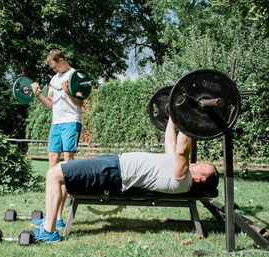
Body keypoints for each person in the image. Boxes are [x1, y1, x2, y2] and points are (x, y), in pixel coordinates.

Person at [32, 117, 219, 242]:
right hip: (114, 162)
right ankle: (53, 221)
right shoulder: (177, 168)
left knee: (54, 174)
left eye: (204, 167)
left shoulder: (183, 180)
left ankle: (49, 232)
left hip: (114, 172)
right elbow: (171, 141)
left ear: (201, 180)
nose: (201, 163)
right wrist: (173, 115)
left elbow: (181, 150)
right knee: (59, 174)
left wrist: (188, 116)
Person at [30, 49, 84, 229]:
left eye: (54, 66)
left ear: (61, 60)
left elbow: (80, 103)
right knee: (52, 163)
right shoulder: (54, 79)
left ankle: (59, 216)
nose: (53, 70)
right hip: (56, 124)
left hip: (71, 122)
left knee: (67, 164)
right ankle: (50, 215)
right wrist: (38, 95)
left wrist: (69, 91)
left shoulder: (76, 76)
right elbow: (50, 104)